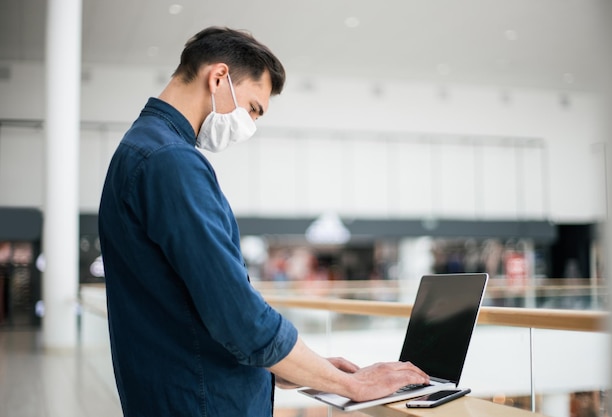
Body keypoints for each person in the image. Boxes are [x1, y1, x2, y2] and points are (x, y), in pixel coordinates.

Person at [98, 26, 429, 417]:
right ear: (218, 77)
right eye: (253, 108)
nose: (250, 125)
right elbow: (235, 315)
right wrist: (351, 384)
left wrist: (314, 370)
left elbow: (191, 310)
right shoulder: (171, 162)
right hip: (201, 402)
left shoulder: (140, 149)